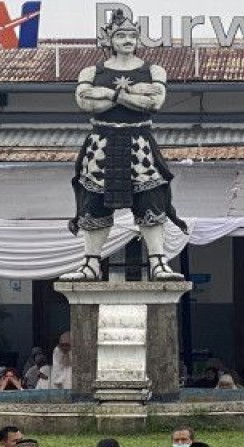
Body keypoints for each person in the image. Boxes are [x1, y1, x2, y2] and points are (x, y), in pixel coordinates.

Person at [60, 9, 186, 283]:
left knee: (150, 198)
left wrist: (110, 94)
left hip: (139, 142)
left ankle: (158, 263)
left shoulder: (153, 69)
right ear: (109, 39)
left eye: (132, 35)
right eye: (121, 35)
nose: (127, 40)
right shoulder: (92, 70)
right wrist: (132, 93)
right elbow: (86, 102)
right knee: (93, 201)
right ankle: (91, 263)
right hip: (101, 144)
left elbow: (154, 103)